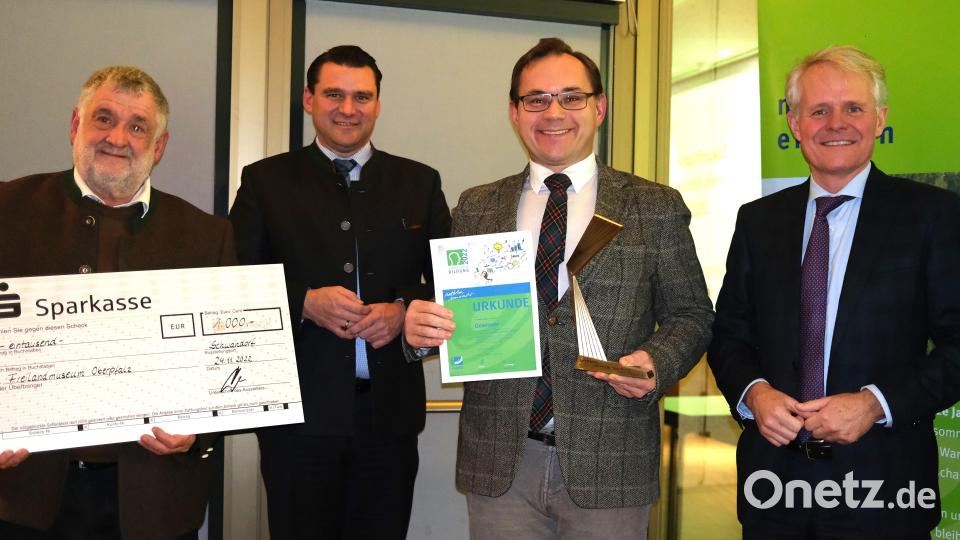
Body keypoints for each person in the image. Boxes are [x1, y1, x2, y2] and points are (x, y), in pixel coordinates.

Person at [404, 37, 713, 539]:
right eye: (536, 99)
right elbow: (447, 311)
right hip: (501, 463)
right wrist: (417, 328)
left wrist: (656, 361)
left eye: (572, 97)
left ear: (599, 107)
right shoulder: (477, 206)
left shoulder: (652, 205)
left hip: (610, 459)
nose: (554, 112)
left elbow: (693, 316)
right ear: (514, 111)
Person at [708, 45, 960, 539]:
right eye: (819, 110)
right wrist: (754, 394)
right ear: (795, 123)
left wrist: (874, 404)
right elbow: (728, 337)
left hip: (886, 489)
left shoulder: (933, 216)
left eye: (854, 108)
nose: (835, 123)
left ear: (880, 118)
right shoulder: (758, 222)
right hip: (773, 488)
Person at [0, 66, 235, 540]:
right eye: (103, 118)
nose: (117, 137)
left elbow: (229, 367)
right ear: (75, 127)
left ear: (159, 146)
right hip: (22, 497)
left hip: (157, 503)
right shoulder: (8, 210)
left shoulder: (206, 237)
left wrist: (198, 433)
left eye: (137, 126)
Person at [229, 45, 451, 539]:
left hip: (389, 419)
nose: (348, 109)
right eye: (334, 94)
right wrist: (303, 301)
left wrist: (403, 311)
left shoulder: (419, 181)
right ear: (308, 99)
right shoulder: (265, 181)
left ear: (377, 102)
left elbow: (446, 280)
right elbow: (235, 278)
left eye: (362, 97)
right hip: (297, 419)